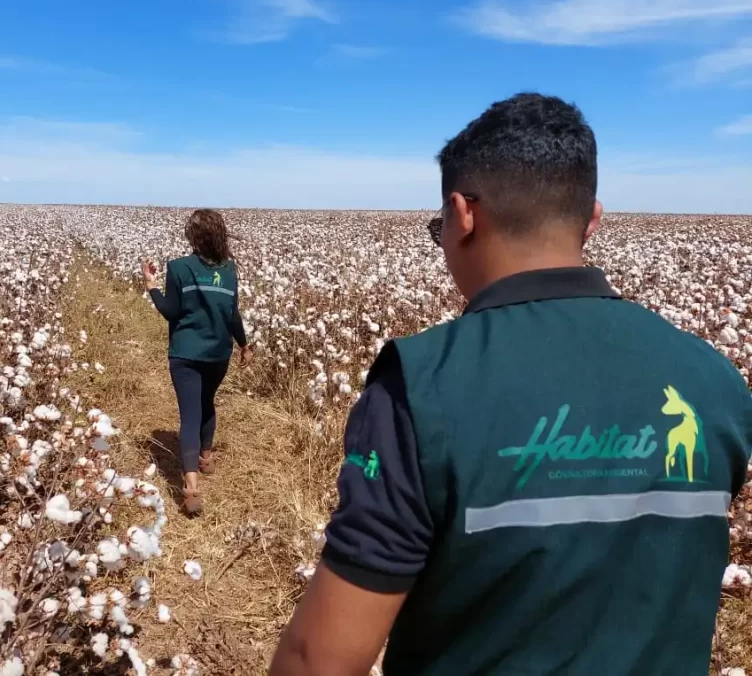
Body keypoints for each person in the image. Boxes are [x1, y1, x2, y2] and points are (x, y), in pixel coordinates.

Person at [269, 93, 752, 675]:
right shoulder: (716, 382)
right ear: (592, 219)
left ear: (461, 214)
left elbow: (319, 659)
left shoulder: (423, 387)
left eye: (437, 225)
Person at [143, 208, 253, 516]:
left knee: (189, 415)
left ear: (192, 236)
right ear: (219, 235)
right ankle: (206, 458)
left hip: (186, 354)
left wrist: (151, 285)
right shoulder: (229, 270)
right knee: (207, 402)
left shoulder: (178, 268)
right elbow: (233, 315)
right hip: (219, 353)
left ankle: (190, 487)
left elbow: (171, 312)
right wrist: (244, 345)